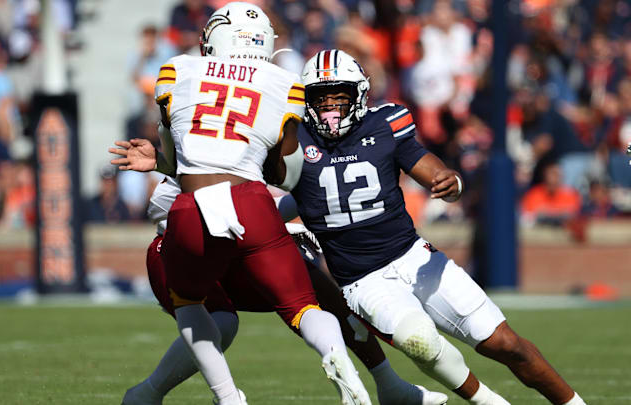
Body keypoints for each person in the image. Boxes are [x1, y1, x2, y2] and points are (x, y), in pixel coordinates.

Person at [288, 49, 586, 405]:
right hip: (361, 280)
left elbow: (431, 168)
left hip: (413, 257)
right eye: (322, 97)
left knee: (506, 344)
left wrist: (450, 182)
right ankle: (489, 402)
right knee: (420, 340)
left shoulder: (384, 124)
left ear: (360, 94)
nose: (331, 106)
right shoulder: (292, 140)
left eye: (340, 95)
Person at [110, 4, 370, 405]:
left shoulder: (178, 71)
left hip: (194, 206)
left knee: (190, 307)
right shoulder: (284, 82)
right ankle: (344, 367)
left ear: (213, 40)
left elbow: (180, 159)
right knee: (303, 307)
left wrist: (163, 163)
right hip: (249, 202)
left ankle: (229, 398)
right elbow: (280, 169)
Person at [115, 176, 448, 405]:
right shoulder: (208, 134)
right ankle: (201, 396)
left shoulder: (272, 132)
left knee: (316, 287)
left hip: (240, 244)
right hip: (184, 246)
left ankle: (387, 382)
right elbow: (162, 207)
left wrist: (288, 216)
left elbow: (275, 200)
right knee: (223, 321)